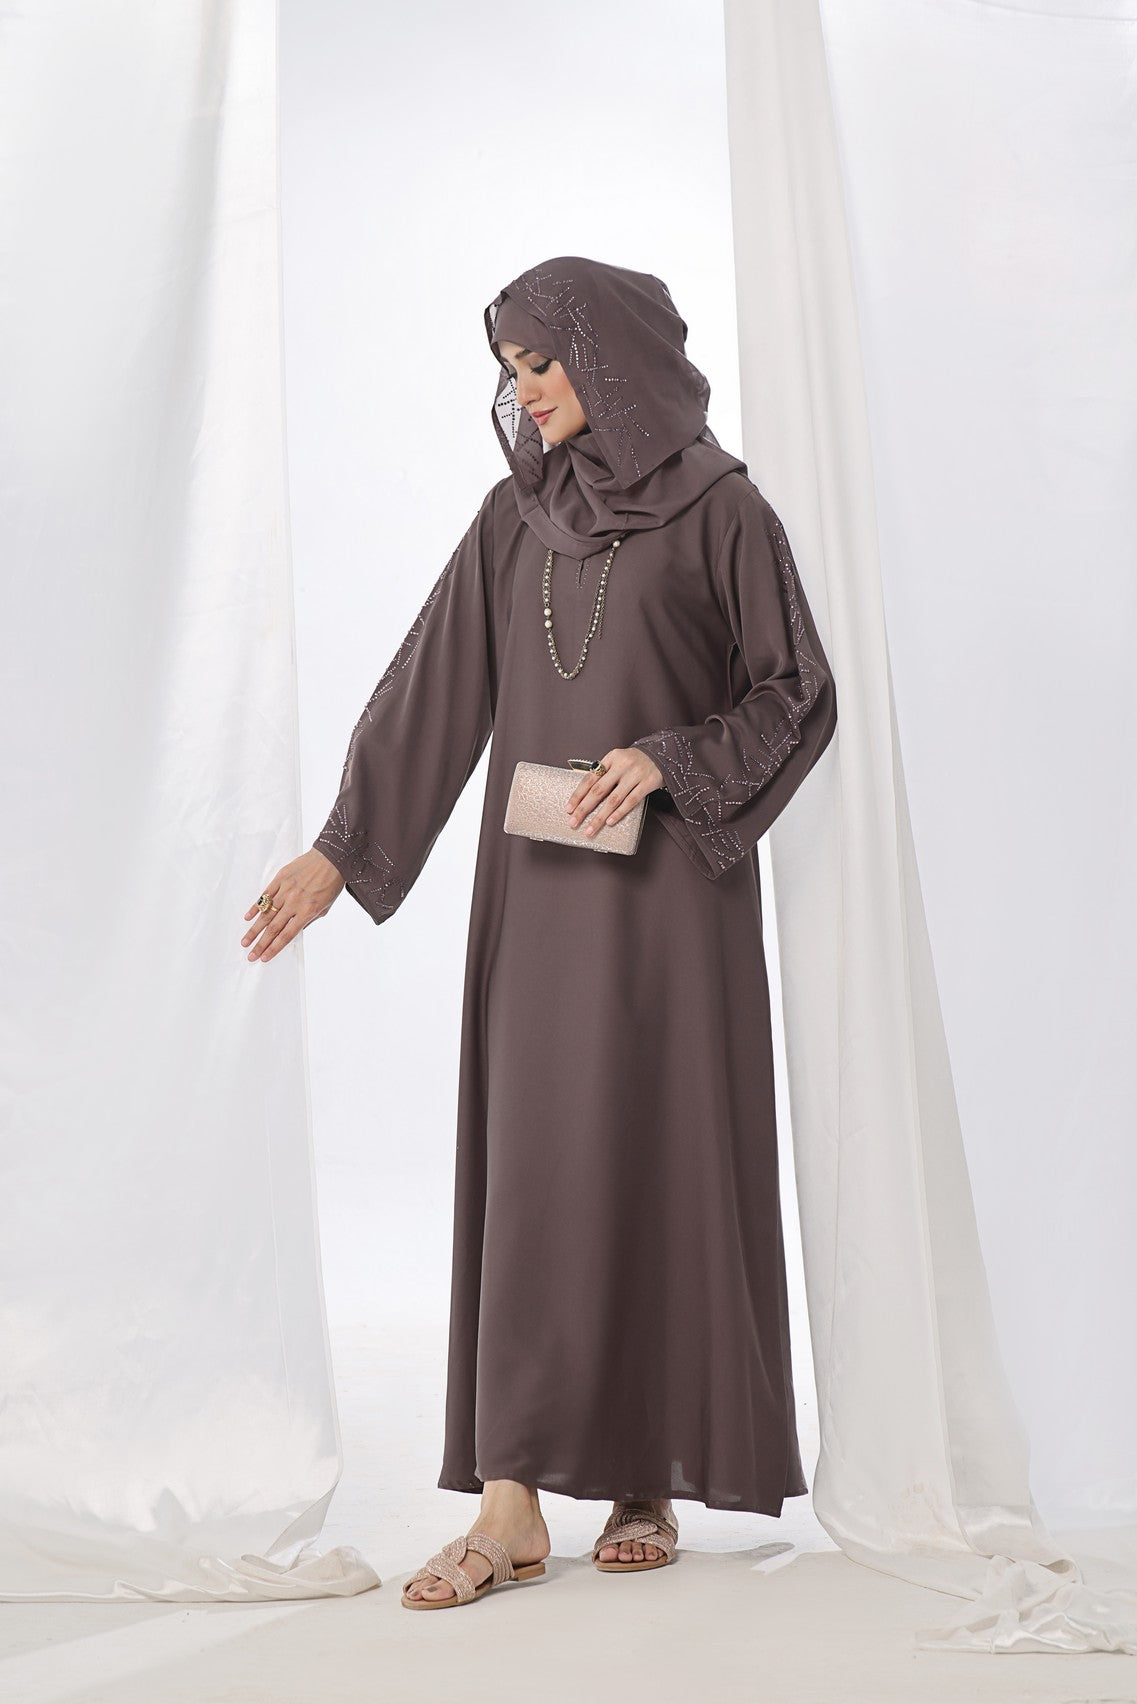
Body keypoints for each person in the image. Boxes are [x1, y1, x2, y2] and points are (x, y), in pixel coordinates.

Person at [241, 256, 838, 1610]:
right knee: (535, 1172)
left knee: (655, 1162)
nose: (527, 389)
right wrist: (341, 848)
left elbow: (795, 691)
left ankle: (646, 1476)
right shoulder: (514, 519)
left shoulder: (724, 510)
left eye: (544, 361)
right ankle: (509, 1505)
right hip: (540, 901)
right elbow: (434, 686)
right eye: (512, 369)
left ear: (612, 356)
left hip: (672, 908)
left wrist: (671, 758)